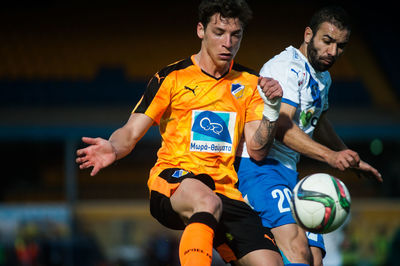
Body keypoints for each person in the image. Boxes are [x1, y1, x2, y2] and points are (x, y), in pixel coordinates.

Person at [76, 0, 285, 265]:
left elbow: (257, 149)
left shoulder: (250, 83)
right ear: (201, 30)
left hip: (226, 190)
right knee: (206, 202)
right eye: (219, 32)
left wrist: (273, 109)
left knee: (271, 263)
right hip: (175, 180)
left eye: (236, 35)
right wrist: (113, 148)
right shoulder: (171, 78)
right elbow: (129, 133)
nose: (228, 43)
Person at [235, 5, 383, 266]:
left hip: (289, 173)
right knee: (297, 250)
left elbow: (318, 120)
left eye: (341, 45)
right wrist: (330, 156)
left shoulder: (323, 77)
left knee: (315, 257)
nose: (333, 52)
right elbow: (281, 127)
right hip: (260, 169)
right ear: (308, 35)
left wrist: (348, 156)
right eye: (327, 41)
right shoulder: (287, 67)